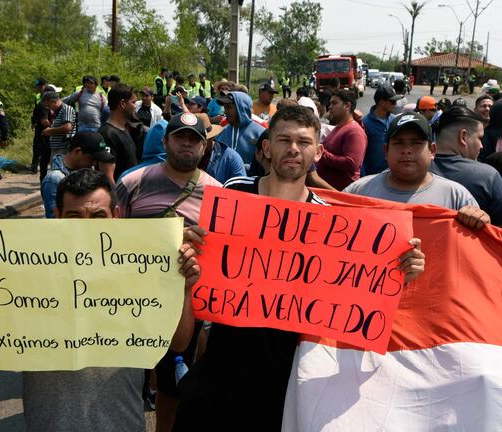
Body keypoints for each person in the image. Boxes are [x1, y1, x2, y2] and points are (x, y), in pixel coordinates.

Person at [173, 105, 425, 431]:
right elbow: (198, 260)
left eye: (304, 142)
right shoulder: (234, 194)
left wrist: (398, 272)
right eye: (284, 140)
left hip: (284, 384)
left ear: (318, 152)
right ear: (266, 147)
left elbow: (357, 298)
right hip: (219, 373)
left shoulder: (332, 224)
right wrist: (186, 244)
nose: (293, 149)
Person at [0, 168, 202, 432]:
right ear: (58, 216)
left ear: (117, 217)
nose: (85, 227)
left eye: (97, 216)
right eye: (75, 216)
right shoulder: (27, 275)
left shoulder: (142, 271)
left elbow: (179, 343)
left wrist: (183, 287)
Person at [116, 112, 222, 432]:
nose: (187, 144)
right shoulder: (131, 183)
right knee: (124, 379)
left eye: (195, 139)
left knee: (173, 387)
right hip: (130, 300)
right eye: (180, 137)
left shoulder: (219, 194)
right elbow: (108, 239)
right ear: (165, 142)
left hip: (186, 305)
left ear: (204, 148)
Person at [345, 111, 478, 211]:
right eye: (398, 143)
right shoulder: (358, 191)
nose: (407, 150)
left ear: (432, 151)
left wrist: (478, 221)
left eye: (416, 143)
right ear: (386, 151)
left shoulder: (458, 197)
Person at [431, 106, 502, 231]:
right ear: (463, 137)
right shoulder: (487, 175)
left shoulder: (411, 173)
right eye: (480, 138)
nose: (481, 146)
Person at [41, 131, 115, 218]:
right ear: (77, 152)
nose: (94, 164)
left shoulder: (88, 173)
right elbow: (54, 219)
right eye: (91, 159)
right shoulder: (55, 179)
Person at [316, 89, 367, 190]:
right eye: (330, 103)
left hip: (341, 194)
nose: (330, 107)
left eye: (334, 103)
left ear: (347, 106)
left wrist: (322, 154)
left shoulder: (354, 131)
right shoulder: (339, 127)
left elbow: (351, 163)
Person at [98, 83, 140, 183]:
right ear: (123, 104)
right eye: (133, 102)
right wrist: (117, 198)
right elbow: (108, 177)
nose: (135, 106)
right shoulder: (107, 134)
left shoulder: (124, 129)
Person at [215, 91, 266, 166]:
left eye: (229, 107)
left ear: (241, 108)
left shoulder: (260, 133)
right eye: (225, 108)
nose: (225, 112)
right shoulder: (221, 132)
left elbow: (266, 165)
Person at [193, 113, 245, 183]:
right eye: (192, 140)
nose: (194, 145)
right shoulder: (182, 155)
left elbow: (240, 191)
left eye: (200, 141)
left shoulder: (231, 159)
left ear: (212, 138)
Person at [362, 84, 401, 176]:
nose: (395, 104)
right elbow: (362, 155)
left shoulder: (394, 120)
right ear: (381, 102)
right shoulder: (365, 124)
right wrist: (363, 177)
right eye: (392, 101)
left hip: (393, 175)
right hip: (372, 175)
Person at [41, 91, 76, 161]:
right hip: (57, 148)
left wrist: (50, 131)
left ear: (54, 102)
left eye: (48, 105)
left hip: (63, 148)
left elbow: (67, 127)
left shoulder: (66, 109)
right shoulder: (58, 111)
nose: (48, 108)